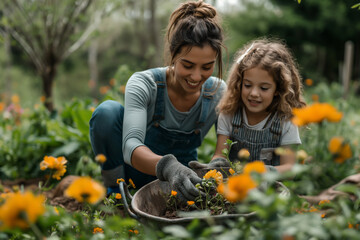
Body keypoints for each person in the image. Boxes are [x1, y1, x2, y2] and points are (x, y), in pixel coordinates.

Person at [89, 0, 226, 200]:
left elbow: (223, 150)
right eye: (187, 65)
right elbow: (130, 147)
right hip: (134, 173)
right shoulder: (145, 83)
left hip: (183, 181)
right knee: (106, 113)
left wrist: (215, 168)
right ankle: (116, 194)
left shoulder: (218, 92)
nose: (196, 76)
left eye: (206, 67)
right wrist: (169, 167)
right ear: (173, 55)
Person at [190, 38, 306, 173]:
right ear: (239, 83)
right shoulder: (229, 113)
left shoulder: (286, 120)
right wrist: (214, 166)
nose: (254, 93)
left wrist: (260, 173)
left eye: (264, 88)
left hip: (271, 190)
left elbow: (289, 168)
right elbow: (220, 154)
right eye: (248, 85)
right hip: (235, 187)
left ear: (278, 89)